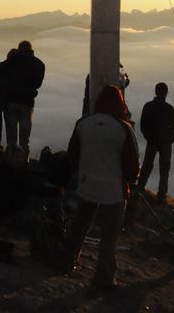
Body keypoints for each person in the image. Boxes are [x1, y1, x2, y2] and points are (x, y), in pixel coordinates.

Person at [64, 85, 140, 290]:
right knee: (109, 236)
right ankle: (104, 279)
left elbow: (72, 156)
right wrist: (130, 180)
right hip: (113, 191)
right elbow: (132, 165)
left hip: (87, 184)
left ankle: (67, 261)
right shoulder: (123, 128)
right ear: (120, 103)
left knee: (80, 225)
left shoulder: (83, 124)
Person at [4, 40, 45, 160]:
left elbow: (4, 76)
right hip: (27, 103)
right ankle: (24, 163)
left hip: (11, 102)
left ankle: (10, 162)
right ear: (31, 50)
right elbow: (38, 84)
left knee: (11, 139)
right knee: (24, 139)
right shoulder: (39, 64)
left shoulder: (12, 61)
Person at [137, 82, 174, 201]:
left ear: (156, 91)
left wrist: (149, 138)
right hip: (165, 143)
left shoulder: (148, 106)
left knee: (147, 165)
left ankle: (140, 187)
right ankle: (162, 194)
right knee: (164, 169)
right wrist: (171, 139)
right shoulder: (169, 108)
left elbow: (143, 125)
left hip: (153, 141)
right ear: (166, 93)